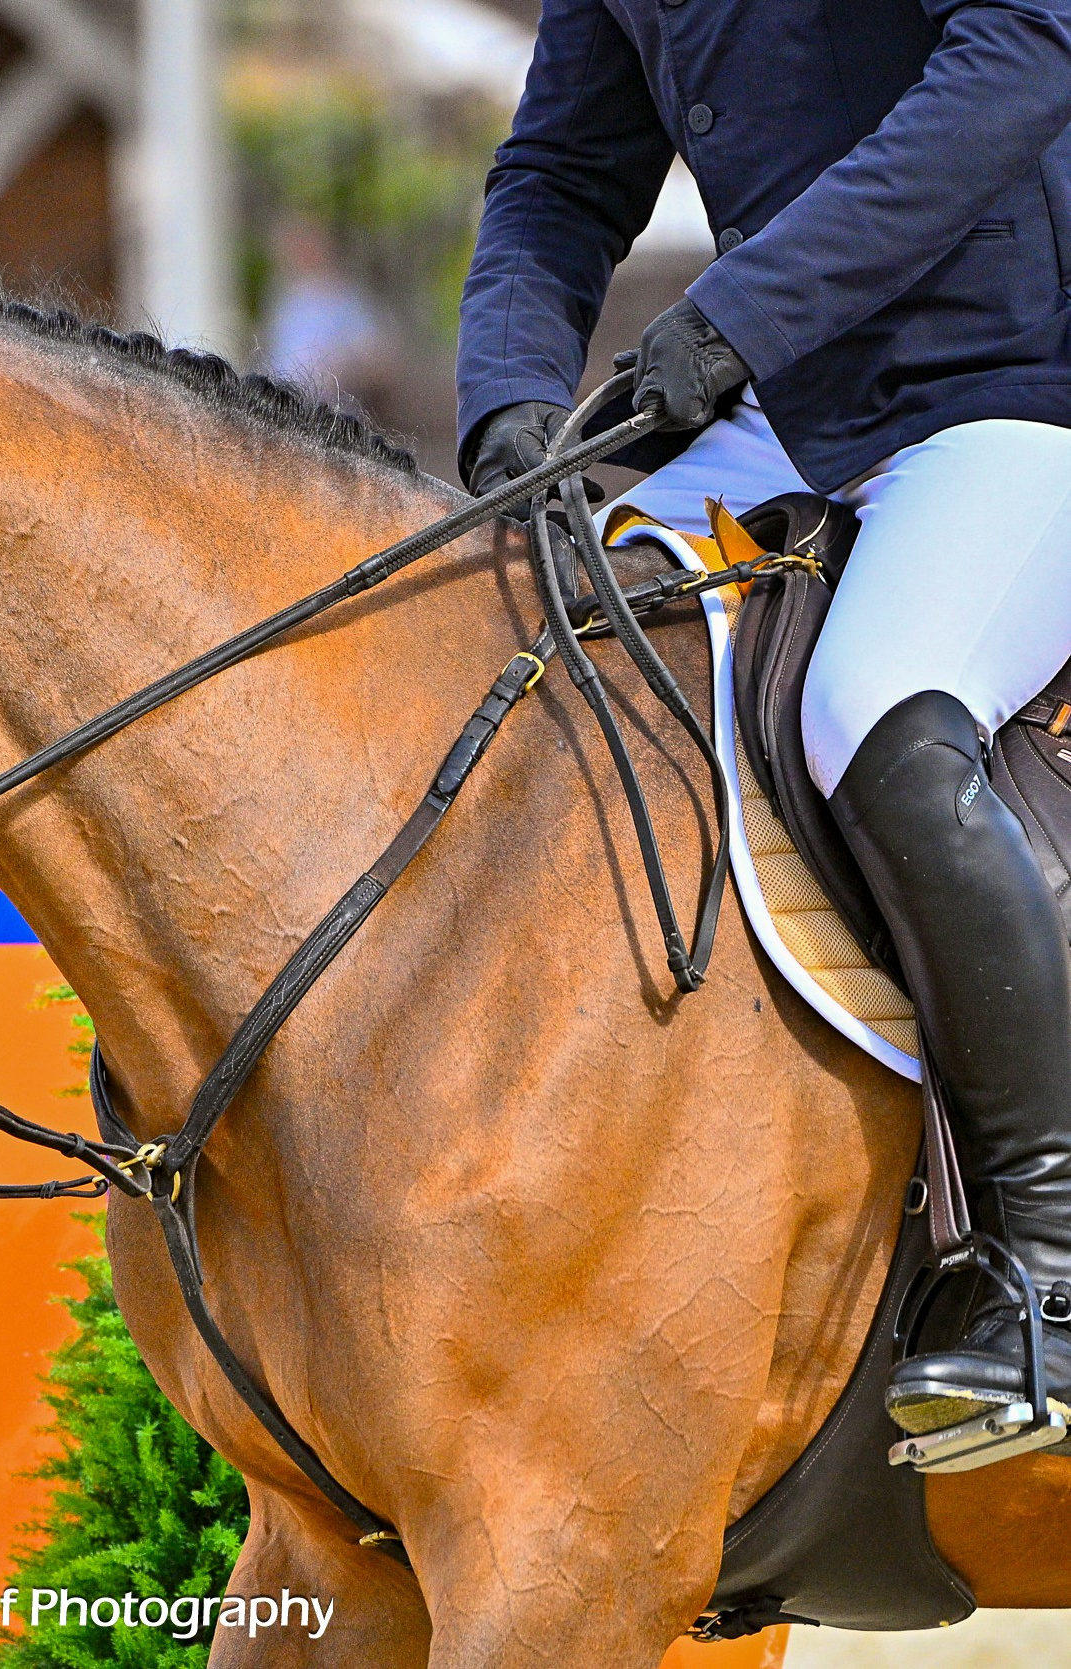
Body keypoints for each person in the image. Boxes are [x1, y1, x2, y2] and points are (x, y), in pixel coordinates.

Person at [454, 0, 1071, 1449]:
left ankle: (1045, 1263)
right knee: (504, 643)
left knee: (880, 700)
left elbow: (1025, 58)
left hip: (1022, 389)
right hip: (797, 400)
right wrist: (512, 402)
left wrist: (731, 321)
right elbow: (558, 176)